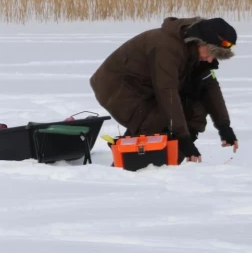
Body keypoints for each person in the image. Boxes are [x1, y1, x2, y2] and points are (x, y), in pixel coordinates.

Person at [90, 17, 239, 163]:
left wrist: (224, 126)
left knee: (195, 105)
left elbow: (210, 86)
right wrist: (183, 137)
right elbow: (167, 93)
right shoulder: (167, 47)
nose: (210, 60)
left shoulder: (196, 52)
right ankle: (136, 165)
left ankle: (173, 157)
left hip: (149, 86)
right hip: (117, 87)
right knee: (157, 119)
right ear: (199, 41)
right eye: (211, 53)